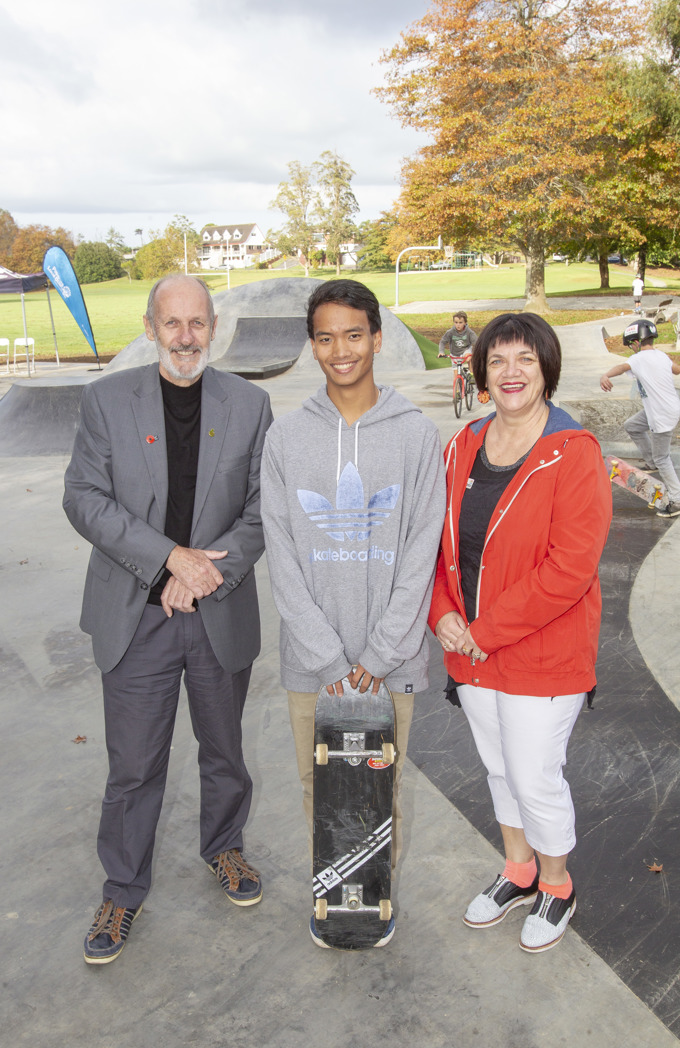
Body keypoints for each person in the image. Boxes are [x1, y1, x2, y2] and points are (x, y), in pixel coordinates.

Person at [63, 275, 273, 964]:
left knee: (224, 752)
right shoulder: (105, 401)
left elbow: (262, 505)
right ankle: (122, 889)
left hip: (216, 608)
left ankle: (225, 849)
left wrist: (208, 570)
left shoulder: (250, 403)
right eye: (172, 322)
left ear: (215, 327)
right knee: (134, 766)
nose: (186, 337)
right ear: (151, 327)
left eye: (198, 323)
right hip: (135, 613)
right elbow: (84, 499)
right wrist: (168, 561)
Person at [260, 279, 445, 948]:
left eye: (354, 334)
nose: (341, 350)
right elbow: (281, 557)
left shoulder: (415, 434)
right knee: (320, 785)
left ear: (377, 336)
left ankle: (373, 900)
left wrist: (373, 657)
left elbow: (422, 546)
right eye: (325, 336)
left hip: (387, 662)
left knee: (379, 787)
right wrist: (333, 662)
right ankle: (332, 898)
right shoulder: (287, 439)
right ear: (313, 345)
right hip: (313, 664)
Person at [429, 313, 611, 954]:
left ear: (546, 370)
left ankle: (556, 886)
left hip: (540, 651)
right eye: (498, 359)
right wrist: (441, 613)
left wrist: (486, 629)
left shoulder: (574, 452)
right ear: (481, 371)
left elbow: (571, 568)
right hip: (472, 651)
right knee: (499, 769)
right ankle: (518, 869)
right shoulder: (463, 445)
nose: (510, 372)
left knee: (534, 774)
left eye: (525, 360)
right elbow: (438, 544)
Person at [600, 317, 680, 518]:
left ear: (636, 342)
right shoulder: (661, 356)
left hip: (661, 413)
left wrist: (606, 376)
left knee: (664, 458)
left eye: (631, 345)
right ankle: (650, 462)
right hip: (664, 408)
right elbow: (677, 370)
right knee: (632, 425)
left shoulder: (637, 359)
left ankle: (677, 500)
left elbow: (622, 367)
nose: (631, 349)